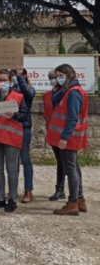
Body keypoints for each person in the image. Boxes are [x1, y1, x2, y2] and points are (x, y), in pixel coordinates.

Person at [47, 64, 88, 216]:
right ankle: (80, 200)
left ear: (69, 75)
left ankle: (72, 203)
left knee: (71, 170)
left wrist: (64, 138)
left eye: (61, 75)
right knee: (74, 168)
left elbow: (72, 118)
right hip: (68, 137)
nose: (58, 78)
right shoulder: (67, 92)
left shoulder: (73, 93)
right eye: (57, 76)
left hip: (68, 138)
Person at [0, 69, 27, 213]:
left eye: (5, 80)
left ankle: (12, 199)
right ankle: (0, 198)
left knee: (11, 170)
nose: (2, 83)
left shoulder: (18, 96)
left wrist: (14, 115)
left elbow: (24, 116)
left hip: (11, 137)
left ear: (10, 81)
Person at [11, 67, 36, 203]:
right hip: (11, 127)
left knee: (25, 159)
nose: (15, 77)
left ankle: (28, 190)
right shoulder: (10, 90)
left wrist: (20, 78)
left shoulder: (30, 89)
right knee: (12, 161)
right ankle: (13, 190)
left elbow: (27, 95)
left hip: (24, 127)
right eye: (13, 75)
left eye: (19, 75)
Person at [43, 72, 66, 201]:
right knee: (60, 161)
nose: (53, 80)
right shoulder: (46, 95)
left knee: (66, 162)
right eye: (51, 78)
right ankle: (60, 189)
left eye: (55, 78)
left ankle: (61, 189)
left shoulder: (66, 94)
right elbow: (46, 114)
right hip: (52, 132)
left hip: (63, 133)